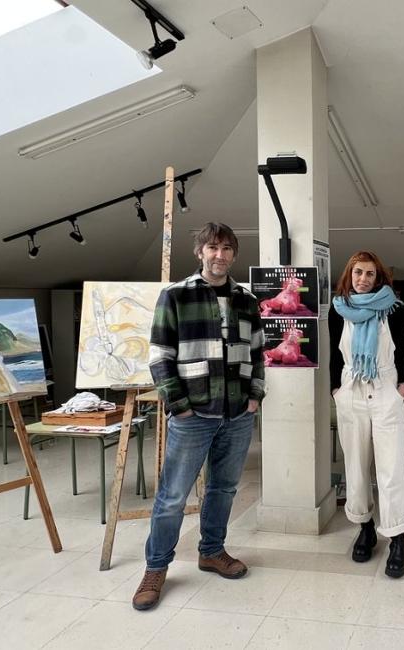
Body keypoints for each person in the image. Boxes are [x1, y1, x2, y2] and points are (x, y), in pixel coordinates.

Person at [132, 222, 266, 611]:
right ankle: (156, 568)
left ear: (234, 255)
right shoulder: (175, 296)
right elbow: (160, 356)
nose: (219, 254)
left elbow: (258, 354)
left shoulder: (246, 299)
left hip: (238, 414)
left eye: (226, 248)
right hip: (193, 415)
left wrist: (254, 396)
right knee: (173, 496)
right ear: (200, 253)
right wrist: (180, 405)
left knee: (223, 489)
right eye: (212, 247)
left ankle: (211, 551)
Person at [329, 251, 404, 578]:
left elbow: (402, 347)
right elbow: (332, 352)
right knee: (357, 465)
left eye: (370, 274)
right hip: (351, 391)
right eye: (358, 273)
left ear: (379, 279)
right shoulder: (338, 310)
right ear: (349, 275)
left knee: (392, 468)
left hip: (385, 389)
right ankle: (364, 528)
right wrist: (335, 389)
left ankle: (397, 536)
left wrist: (402, 386)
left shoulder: (391, 308)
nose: (363, 279)